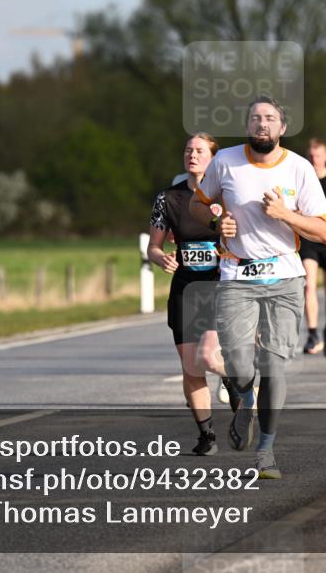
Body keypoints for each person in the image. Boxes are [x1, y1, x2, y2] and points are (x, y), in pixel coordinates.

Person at [190, 95, 326, 479]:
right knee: (237, 365)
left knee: (274, 367)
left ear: (282, 128)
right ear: (247, 126)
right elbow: (197, 205)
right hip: (237, 276)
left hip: (285, 278)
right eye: (255, 118)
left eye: (270, 118)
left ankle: (266, 451)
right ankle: (243, 395)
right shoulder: (226, 162)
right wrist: (215, 224)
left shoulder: (299, 169)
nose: (262, 124)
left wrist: (285, 214)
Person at [148, 133, 236, 455]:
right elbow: (153, 247)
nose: (192, 155)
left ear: (213, 158)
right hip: (185, 287)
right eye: (188, 150)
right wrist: (162, 259)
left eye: (199, 151)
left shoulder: (227, 195)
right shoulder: (168, 198)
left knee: (209, 357)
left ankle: (238, 380)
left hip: (220, 284)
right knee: (191, 366)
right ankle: (207, 436)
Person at [299, 138, 326, 358]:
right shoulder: (304, 179)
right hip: (308, 239)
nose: (314, 159)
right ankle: (313, 333)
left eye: (318, 155)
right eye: (311, 155)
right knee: (309, 286)